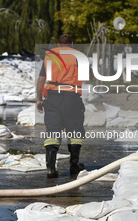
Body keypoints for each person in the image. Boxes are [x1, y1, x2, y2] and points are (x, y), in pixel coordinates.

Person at [36, 34, 86, 179]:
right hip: (72, 98)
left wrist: (39, 99)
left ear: (58, 44)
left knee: (53, 131)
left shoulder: (50, 56)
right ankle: (74, 166)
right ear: (72, 43)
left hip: (53, 98)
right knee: (75, 132)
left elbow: (41, 80)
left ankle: (51, 168)